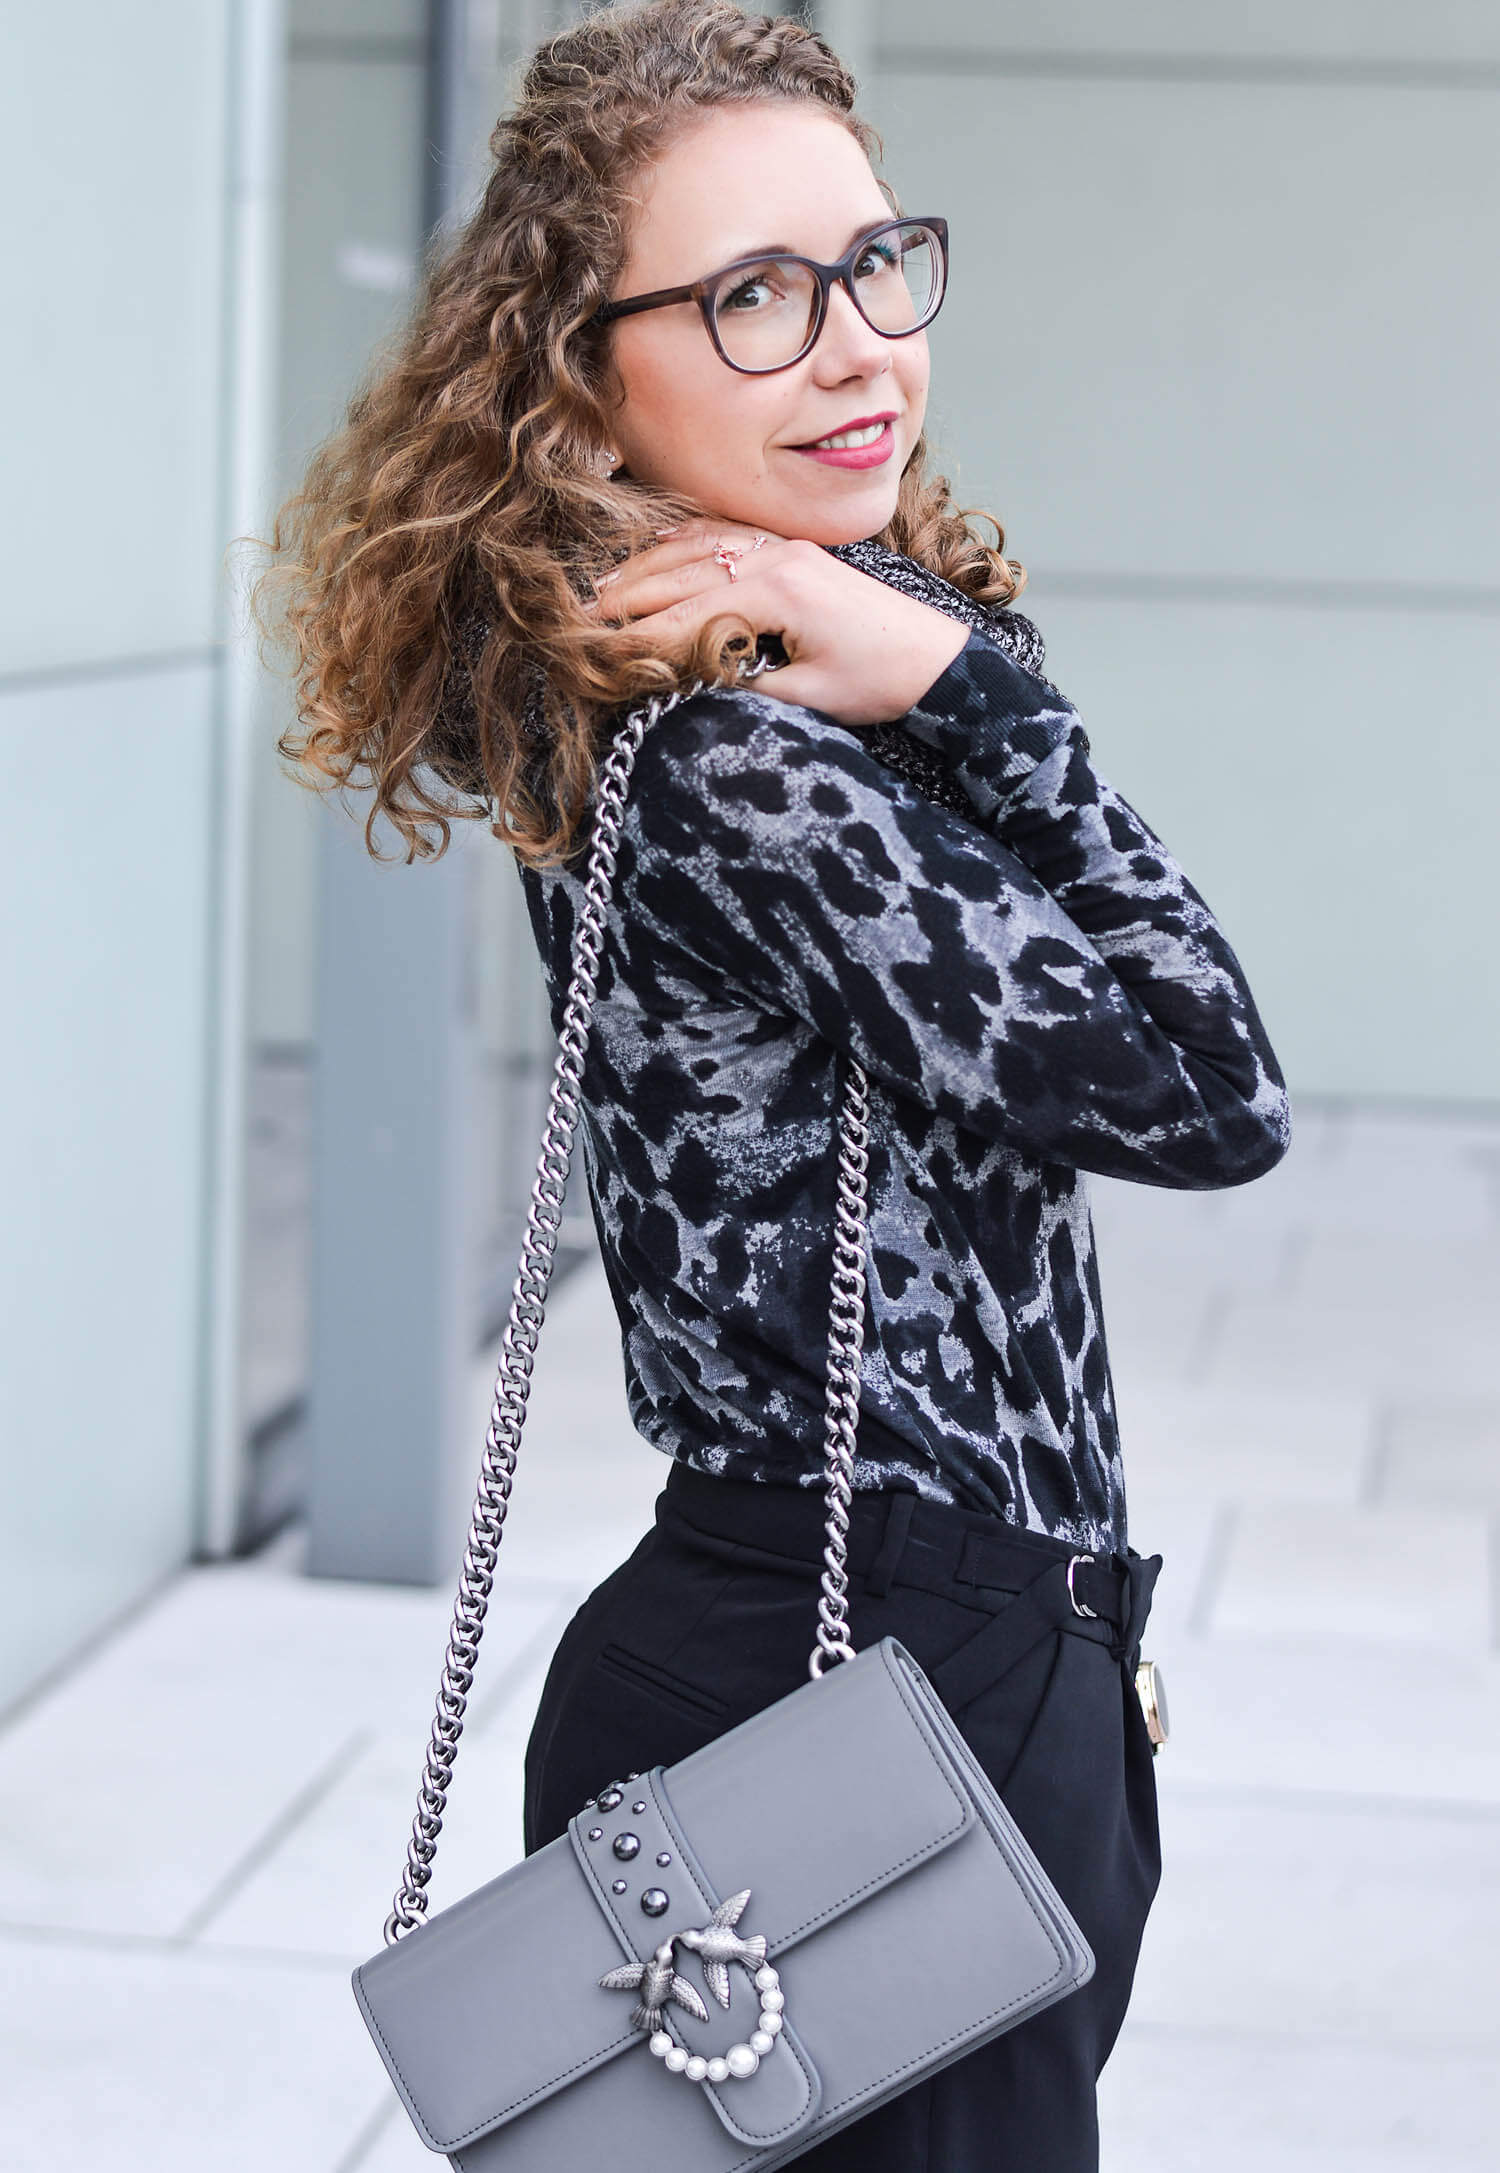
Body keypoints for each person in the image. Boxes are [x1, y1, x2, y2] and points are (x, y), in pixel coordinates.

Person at [264, 3, 1290, 2165]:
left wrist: (921, 664)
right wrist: (978, 701)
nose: (854, 348)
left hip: (893, 1650)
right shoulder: (739, 756)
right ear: (580, 371)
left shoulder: (760, 677)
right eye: (749, 297)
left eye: (870, 262)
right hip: (869, 1678)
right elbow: (1210, 1084)